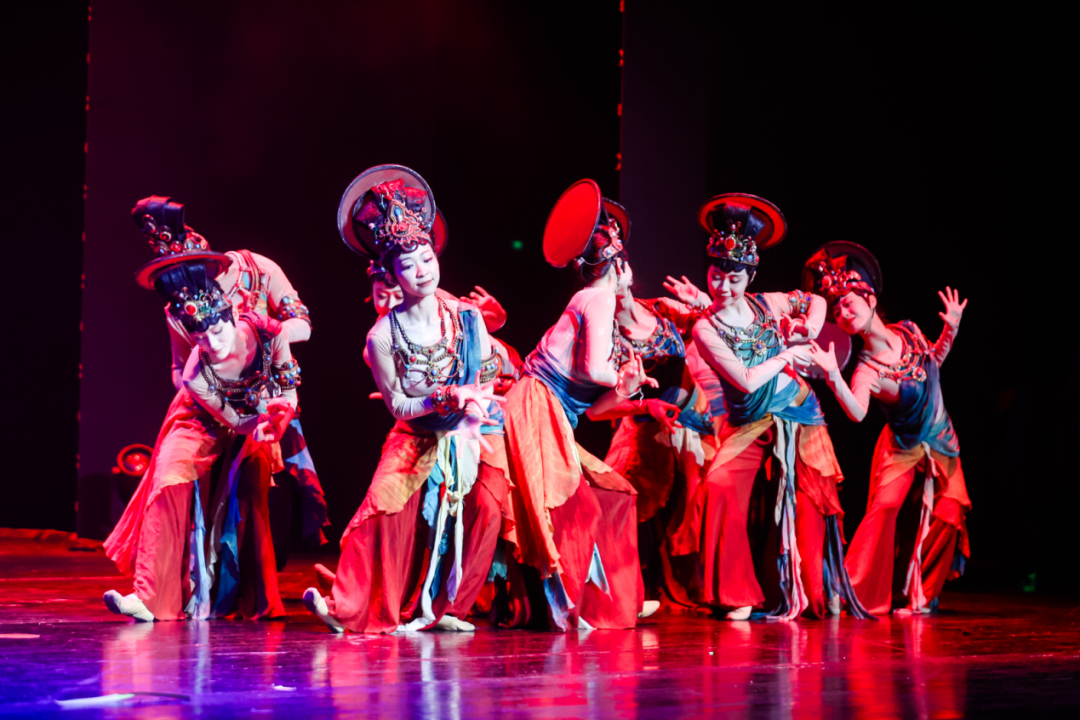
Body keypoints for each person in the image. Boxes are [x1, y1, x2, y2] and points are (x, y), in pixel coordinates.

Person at [303, 165, 507, 633]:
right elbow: (398, 405)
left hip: (470, 432)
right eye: (410, 266)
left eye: (427, 259)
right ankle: (348, 606)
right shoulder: (382, 336)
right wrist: (442, 397)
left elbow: (487, 372)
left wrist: (474, 401)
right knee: (382, 507)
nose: (423, 271)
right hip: (415, 436)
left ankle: (450, 608)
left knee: (489, 509)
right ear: (392, 275)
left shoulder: (465, 315)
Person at [689, 194, 870, 621]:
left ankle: (818, 590)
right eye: (716, 276)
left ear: (749, 276)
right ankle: (735, 593)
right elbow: (746, 379)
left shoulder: (767, 302)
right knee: (719, 484)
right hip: (750, 420)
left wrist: (808, 326)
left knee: (812, 500)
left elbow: (816, 301)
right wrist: (788, 353)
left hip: (799, 409)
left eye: (734, 278)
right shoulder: (705, 328)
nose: (723, 287)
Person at [498, 179, 657, 631]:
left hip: (554, 413)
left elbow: (594, 410)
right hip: (536, 405)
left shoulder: (596, 303)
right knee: (573, 504)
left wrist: (627, 388)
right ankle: (568, 600)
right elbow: (593, 368)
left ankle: (614, 595)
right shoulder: (599, 297)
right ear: (618, 265)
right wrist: (623, 379)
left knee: (615, 492)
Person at [103, 254, 298, 622]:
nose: (212, 343)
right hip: (200, 421)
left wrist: (278, 417)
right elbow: (235, 422)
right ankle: (150, 598)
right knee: (168, 477)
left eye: (218, 331)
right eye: (200, 337)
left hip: (262, 417)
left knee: (252, 482)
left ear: (233, 314)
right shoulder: (196, 373)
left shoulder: (270, 333)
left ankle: (254, 599)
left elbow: (289, 393)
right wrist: (259, 421)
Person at [130, 196, 329, 550]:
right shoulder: (179, 308)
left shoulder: (258, 270)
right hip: (206, 401)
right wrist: (205, 393)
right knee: (180, 479)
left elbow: (303, 325)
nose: (186, 285)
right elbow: (180, 367)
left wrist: (262, 330)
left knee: (261, 493)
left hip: (264, 389)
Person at [802, 242, 970, 615]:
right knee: (887, 506)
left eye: (848, 304)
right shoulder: (866, 371)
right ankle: (851, 591)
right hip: (902, 446)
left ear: (871, 299)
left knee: (950, 512)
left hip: (941, 437)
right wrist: (833, 377)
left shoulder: (908, 330)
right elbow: (857, 413)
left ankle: (920, 596)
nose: (843, 314)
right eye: (837, 311)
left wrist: (951, 330)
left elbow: (933, 363)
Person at [579, 199, 716, 607]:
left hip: (698, 421)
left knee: (710, 493)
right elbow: (595, 411)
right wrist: (644, 407)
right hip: (644, 427)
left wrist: (704, 303)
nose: (619, 270)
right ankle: (620, 593)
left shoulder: (663, 310)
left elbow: (719, 329)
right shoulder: (604, 338)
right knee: (613, 493)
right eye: (608, 266)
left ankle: (713, 588)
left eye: (621, 261)